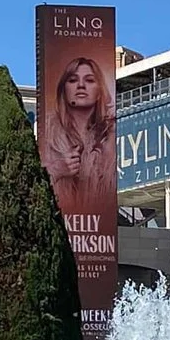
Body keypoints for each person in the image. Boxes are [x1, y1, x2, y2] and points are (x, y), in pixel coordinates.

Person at [40, 54, 115, 218]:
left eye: (89, 80)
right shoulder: (47, 136)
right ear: (63, 89)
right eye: (73, 80)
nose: (81, 85)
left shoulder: (110, 138)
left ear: (99, 91)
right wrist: (56, 170)